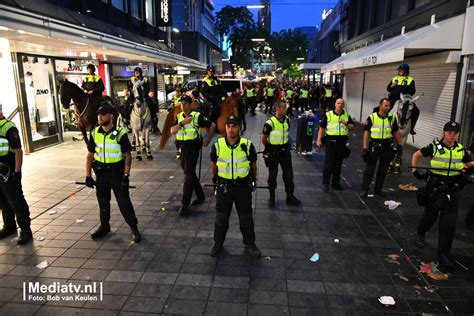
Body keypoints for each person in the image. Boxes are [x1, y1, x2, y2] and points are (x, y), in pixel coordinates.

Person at [412, 121, 474, 270]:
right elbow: (416, 154)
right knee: (430, 217)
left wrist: (466, 168)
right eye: (449, 132)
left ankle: (444, 254)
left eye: (455, 133)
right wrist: (415, 172)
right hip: (436, 188)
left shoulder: (461, 149)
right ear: (444, 133)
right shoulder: (436, 147)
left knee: (448, 225)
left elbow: (470, 163)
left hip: (453, 189)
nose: (452, 135)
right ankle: (421, 233)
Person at [85, 101, 141, 242]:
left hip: (116, 173)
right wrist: (88, 176)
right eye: (98, 115)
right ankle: (105, 226)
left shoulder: (120, 133)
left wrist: (126, 175)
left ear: (111, 116)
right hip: (101, 174)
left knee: (124, 203)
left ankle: (134, 228)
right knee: (103, 203)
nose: (100, 117)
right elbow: (90, 155)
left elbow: (127, 155)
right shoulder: (95, 133)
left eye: (103, 115)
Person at [209, 115, 261, 257]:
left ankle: (250, 244)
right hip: (224, 187)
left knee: (246, 218)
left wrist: (252, 181)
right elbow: (214, 167)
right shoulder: (218, 145)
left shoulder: (247, 145)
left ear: (239, 128)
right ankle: (217, 244)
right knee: (221, 218)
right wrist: (217, 181)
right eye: (228, 126)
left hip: (242, 187)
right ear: (225, 128)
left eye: (234, 126)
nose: (231, 130)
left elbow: (253, 166)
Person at [171, 96, 216, 216]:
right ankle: (200, 195)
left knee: (188, 174)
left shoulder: (197, 116)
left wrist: (207, 140)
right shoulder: (179, 117)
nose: (183, 106)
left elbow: (212, 126)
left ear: (191, 104)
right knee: (189, 172)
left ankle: (184, 204)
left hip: (193, 148)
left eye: (185, 103)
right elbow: (172, 131)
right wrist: (182, 123)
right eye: (181, 104)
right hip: (181, 147)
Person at [0, 104, 32, 245]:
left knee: (15, 200)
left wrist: (17, 172)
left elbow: (18, 151)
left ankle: (25, 230)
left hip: (9, 171)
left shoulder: (9, 127)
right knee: (3, 200)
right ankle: (9, 226)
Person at [261, 100, 302, 207]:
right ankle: (272, 198)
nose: (286, 109)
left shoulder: (287, 120)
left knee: (289, 176)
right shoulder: (270, 123)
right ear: (278, 108)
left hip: (285, 152)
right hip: (274, 152)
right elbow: (264, 138)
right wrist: (269, 148)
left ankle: (290, 196)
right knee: (272, 176)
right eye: (284, 107)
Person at [360, 98, 402, 198]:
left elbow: (395, 132)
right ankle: (364, 189)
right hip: (374, 145)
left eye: (389, 106)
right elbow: (366, 133)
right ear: (380, 105)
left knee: (383, 170)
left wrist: (399, 145)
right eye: (386, 105)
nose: (388, 107)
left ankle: (378, 189)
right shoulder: (372, 117)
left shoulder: (392, 118)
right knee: (370, 169)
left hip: (387, 146)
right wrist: (365, 148)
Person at [317, 98, 355, 191]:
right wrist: (319, 140)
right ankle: (325, 183)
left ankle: (335, 182)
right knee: (329, 163)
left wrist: (345, 123)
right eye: (338, 103)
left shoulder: (346, 115)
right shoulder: (328, 114)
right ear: (335, 104)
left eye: (342, 103)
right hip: (331, 141)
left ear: (344, 105)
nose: (340, 105)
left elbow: (352, 127)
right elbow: (322, 128)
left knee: (338, 164)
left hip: (341, 142)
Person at [386, 63, 419, 134]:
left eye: (401, 70)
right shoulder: (395, 78)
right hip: (394, 99)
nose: (399, 71)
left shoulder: (410, 79)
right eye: (399, 70)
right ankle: (382, 125)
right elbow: (388, 89)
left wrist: (405, 96)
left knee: (416, 111)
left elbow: (412, 91)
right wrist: (392, 85)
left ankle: (411, 128)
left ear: (406, 71)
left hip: (404, 100)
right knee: (384, 107)